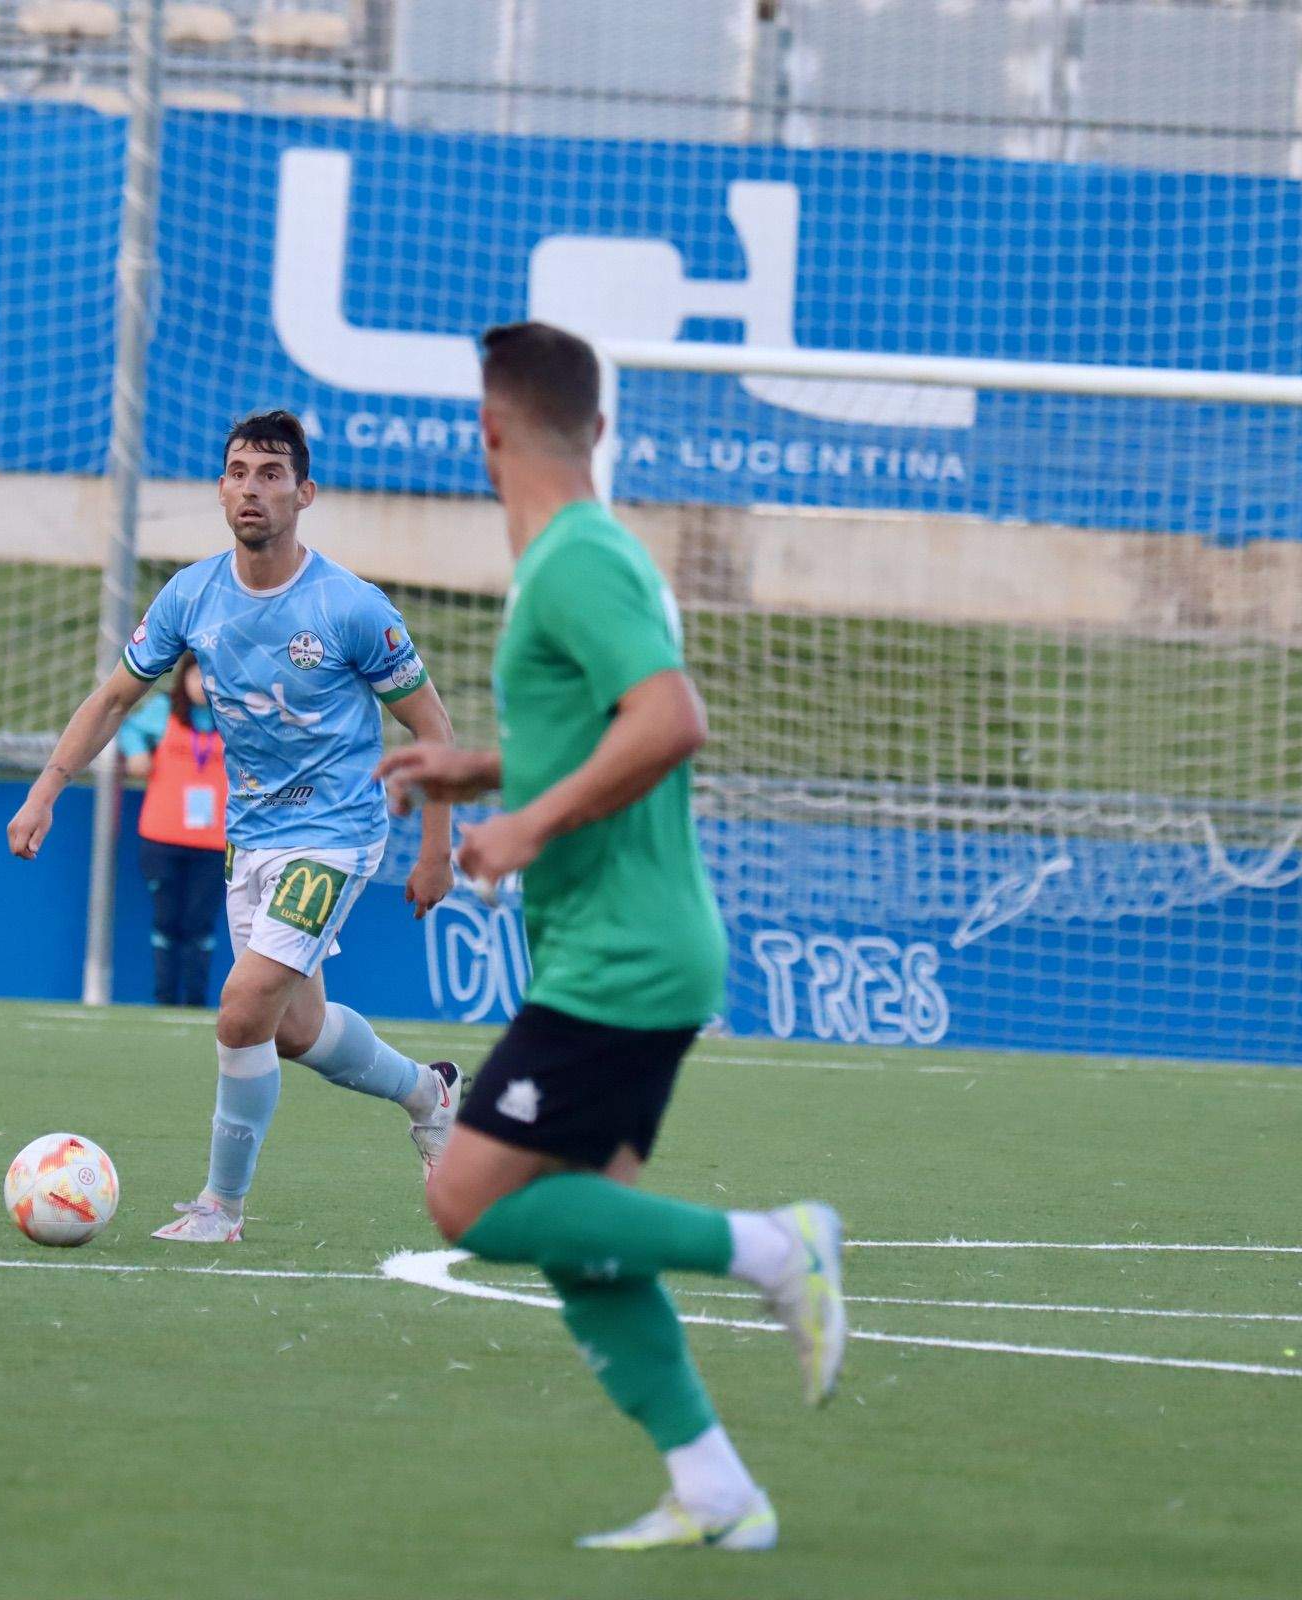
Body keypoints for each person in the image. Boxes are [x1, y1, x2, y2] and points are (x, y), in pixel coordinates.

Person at [377, 323, 846, 1553]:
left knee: (466, 1199)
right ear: (596, 428)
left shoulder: (578, 561)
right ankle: (715, 1488)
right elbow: (606, 726)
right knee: (588, 1235)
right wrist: (480, 764)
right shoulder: (586, 555)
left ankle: (774, 1245)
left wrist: (521, 821)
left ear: (485, 435)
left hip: (622, 957)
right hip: (626, 946)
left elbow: (670, 719)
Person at [7, 410, 462, 1243]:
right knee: (293, 1031)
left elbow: (435, 733)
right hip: (251, 835)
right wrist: (47, 787)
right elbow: (115, 697)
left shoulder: (350, 607)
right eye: (238, 472)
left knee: (241, 1008)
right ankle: (429, 1094)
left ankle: (222, 1207)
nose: (252, 488)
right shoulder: (191, 594)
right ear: (221, 489)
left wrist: (436, 850)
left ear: (304, 492)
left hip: (337, 834)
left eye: (271, 474)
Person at [119, 659, 228, 1006]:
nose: (204, 684)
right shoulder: (164, 711)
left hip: (215, 842)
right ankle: (164, 998)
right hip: (162, 837)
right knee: (167, 920)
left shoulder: (238, 720)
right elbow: (128, 729)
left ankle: (196, 1001)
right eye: (198, 675)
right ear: (185, 678)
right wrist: (136, 754)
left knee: (200, 924)